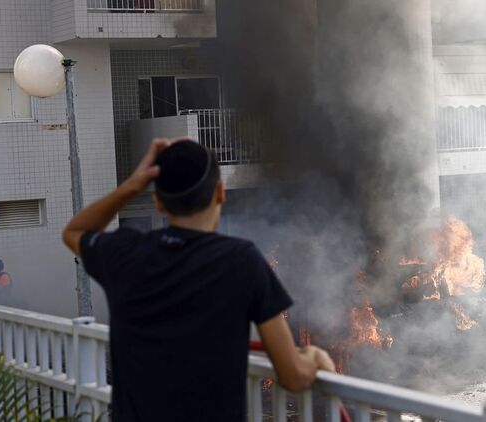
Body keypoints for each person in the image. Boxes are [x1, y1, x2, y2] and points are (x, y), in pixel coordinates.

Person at [62, 138, 335, 421]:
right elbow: (293, 376)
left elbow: (74, 231)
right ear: (219, 193)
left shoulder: (127, 253)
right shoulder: (242, 261)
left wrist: (132, 185)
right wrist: (315, 357)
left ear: (158, 202)